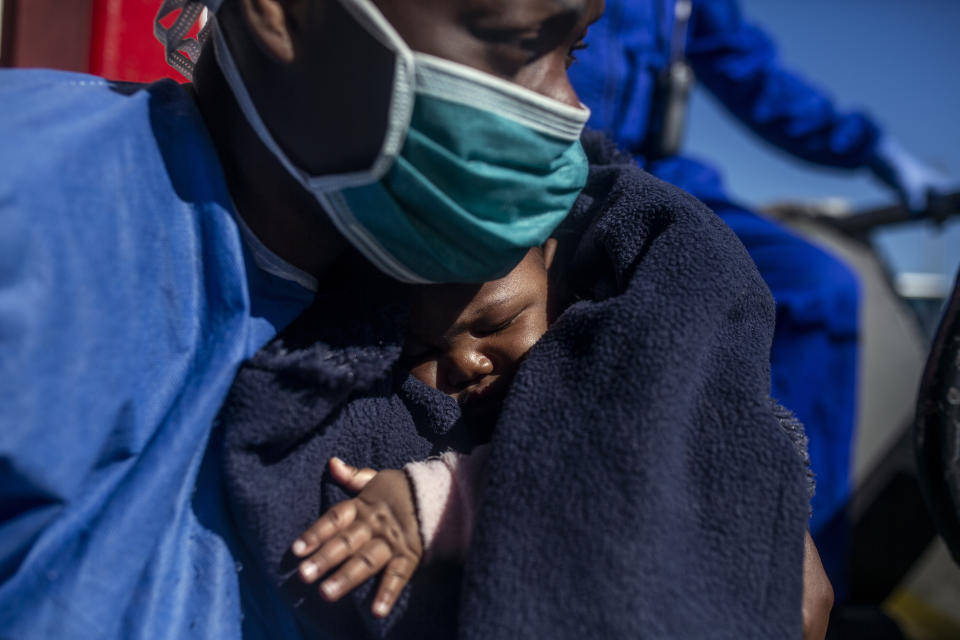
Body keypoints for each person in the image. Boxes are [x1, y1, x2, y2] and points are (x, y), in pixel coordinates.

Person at [0, 0, 601, 636]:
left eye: (574, 52)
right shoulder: (31, 210)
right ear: (280, 14)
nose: (568, 106)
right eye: (517, 44)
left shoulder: (508, 277)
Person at [564, 0, 950, 581]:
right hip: (550, 155)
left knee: (821, 287)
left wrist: (871, 149)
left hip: (652, 174)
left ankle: (798, 558)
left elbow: (752, 71)